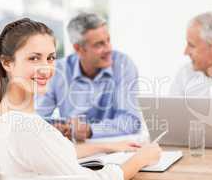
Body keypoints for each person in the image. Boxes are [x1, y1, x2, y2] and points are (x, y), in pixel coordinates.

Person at [0, 18, 161, 180]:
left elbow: (51, 152)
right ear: (7, 62)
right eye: (34, 58)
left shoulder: (6, 117)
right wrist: (141, 158)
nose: (46, 68)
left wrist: (107, 145)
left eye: (50, 58)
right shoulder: (26, 128)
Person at [36, 13, 142, 141]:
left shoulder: (123, 65)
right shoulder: (58, 71)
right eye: (99, 44)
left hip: (115, 149)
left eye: (108, 40)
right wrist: (55, 128)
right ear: (79, 49)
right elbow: (36, 119)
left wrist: (90, 130)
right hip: (74, 149)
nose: (108, 49)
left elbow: (131, 121)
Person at [170, 12, 212, 138]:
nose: (185, 52)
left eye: (191, 45)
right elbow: (171, 120)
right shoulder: (185, 74)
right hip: (193, 151)